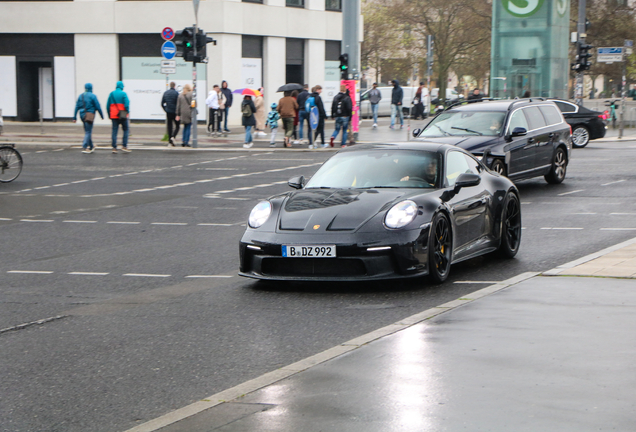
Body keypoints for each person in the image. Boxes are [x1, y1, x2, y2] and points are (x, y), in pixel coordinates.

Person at [73, 83, 104, 154]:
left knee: (87, 130)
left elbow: (77, 106)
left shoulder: (81, 96)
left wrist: (74, 117)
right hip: (89, 115)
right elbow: (98, 106)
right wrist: (101, 115)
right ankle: (85, 146)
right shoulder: (93, 96)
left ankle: (91, 146)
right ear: (91, 88)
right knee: (88, 131)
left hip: (82, 115)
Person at [106, 81, 130, 153]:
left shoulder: (111, 94)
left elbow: (107, 106)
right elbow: (127, 105)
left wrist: (109, 114)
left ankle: (114, 148)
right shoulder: (124, 94)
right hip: (122, 114)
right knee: (125, 130)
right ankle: (124, 146)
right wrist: (127, 112)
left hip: (113, 115)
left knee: (114, 131)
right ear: (122, 86)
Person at [161, 81, 179, 146]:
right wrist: (178, 113)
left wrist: (165, 109)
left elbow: (162, 103)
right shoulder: (176, 93)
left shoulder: (165, 93)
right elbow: (178, 103)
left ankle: (169, 140)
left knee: (169, 126)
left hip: (168, 111)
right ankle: (173, 137)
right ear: (174, 86)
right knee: (177, 126)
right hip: (175, 112)